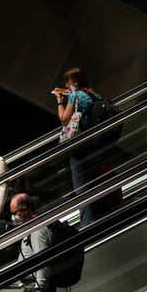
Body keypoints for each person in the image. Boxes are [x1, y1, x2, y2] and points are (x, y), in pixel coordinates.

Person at [54, 67, 100, 226]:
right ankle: (94, 217)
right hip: (93, 143)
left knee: (81, 186)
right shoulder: (93, 94)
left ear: (74, 82)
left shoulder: (75, 95)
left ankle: (87, 222)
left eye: (67, 84)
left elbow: (64, 119)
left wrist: (60, 101)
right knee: (92, 182)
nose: (66, 87)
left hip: (79, 146)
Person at [11, 193, 54, 292]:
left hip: (35, 291)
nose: (13, 217)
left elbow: (43, 262)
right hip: (34, 289)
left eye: (15, 213)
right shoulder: (31, 227)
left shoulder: (37, 231)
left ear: (25, 210)